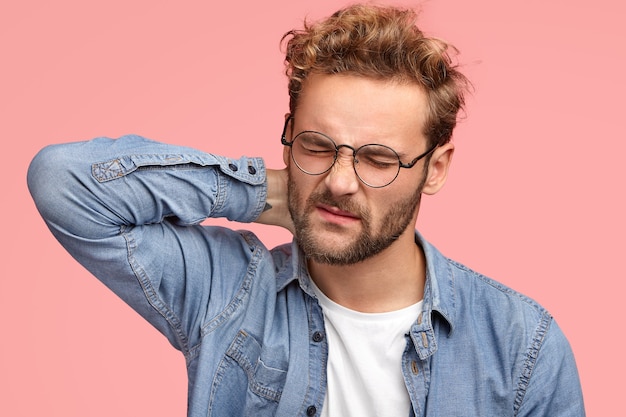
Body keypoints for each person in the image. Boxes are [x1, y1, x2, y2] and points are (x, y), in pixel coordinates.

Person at [27, 4, 585, 416]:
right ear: (289, 138)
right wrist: (277, 195)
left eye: (378, 159)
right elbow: (65, 182)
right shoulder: (227, 295)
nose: (340, 182)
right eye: (317, 146)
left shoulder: (519, 343)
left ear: (435, 168)